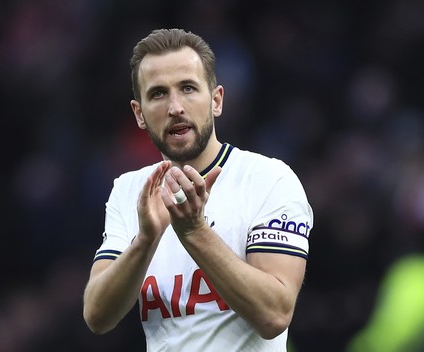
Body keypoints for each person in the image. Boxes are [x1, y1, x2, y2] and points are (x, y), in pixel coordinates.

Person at [83, 28, 313, 351]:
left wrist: (194, 231)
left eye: (188, 88)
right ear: (139, 113)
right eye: (158, 94)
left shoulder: (268, 180)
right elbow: (97, 315)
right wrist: (145, 241)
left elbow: (274, 314)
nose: (175, 107)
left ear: (216, 100)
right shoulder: (129, 191)